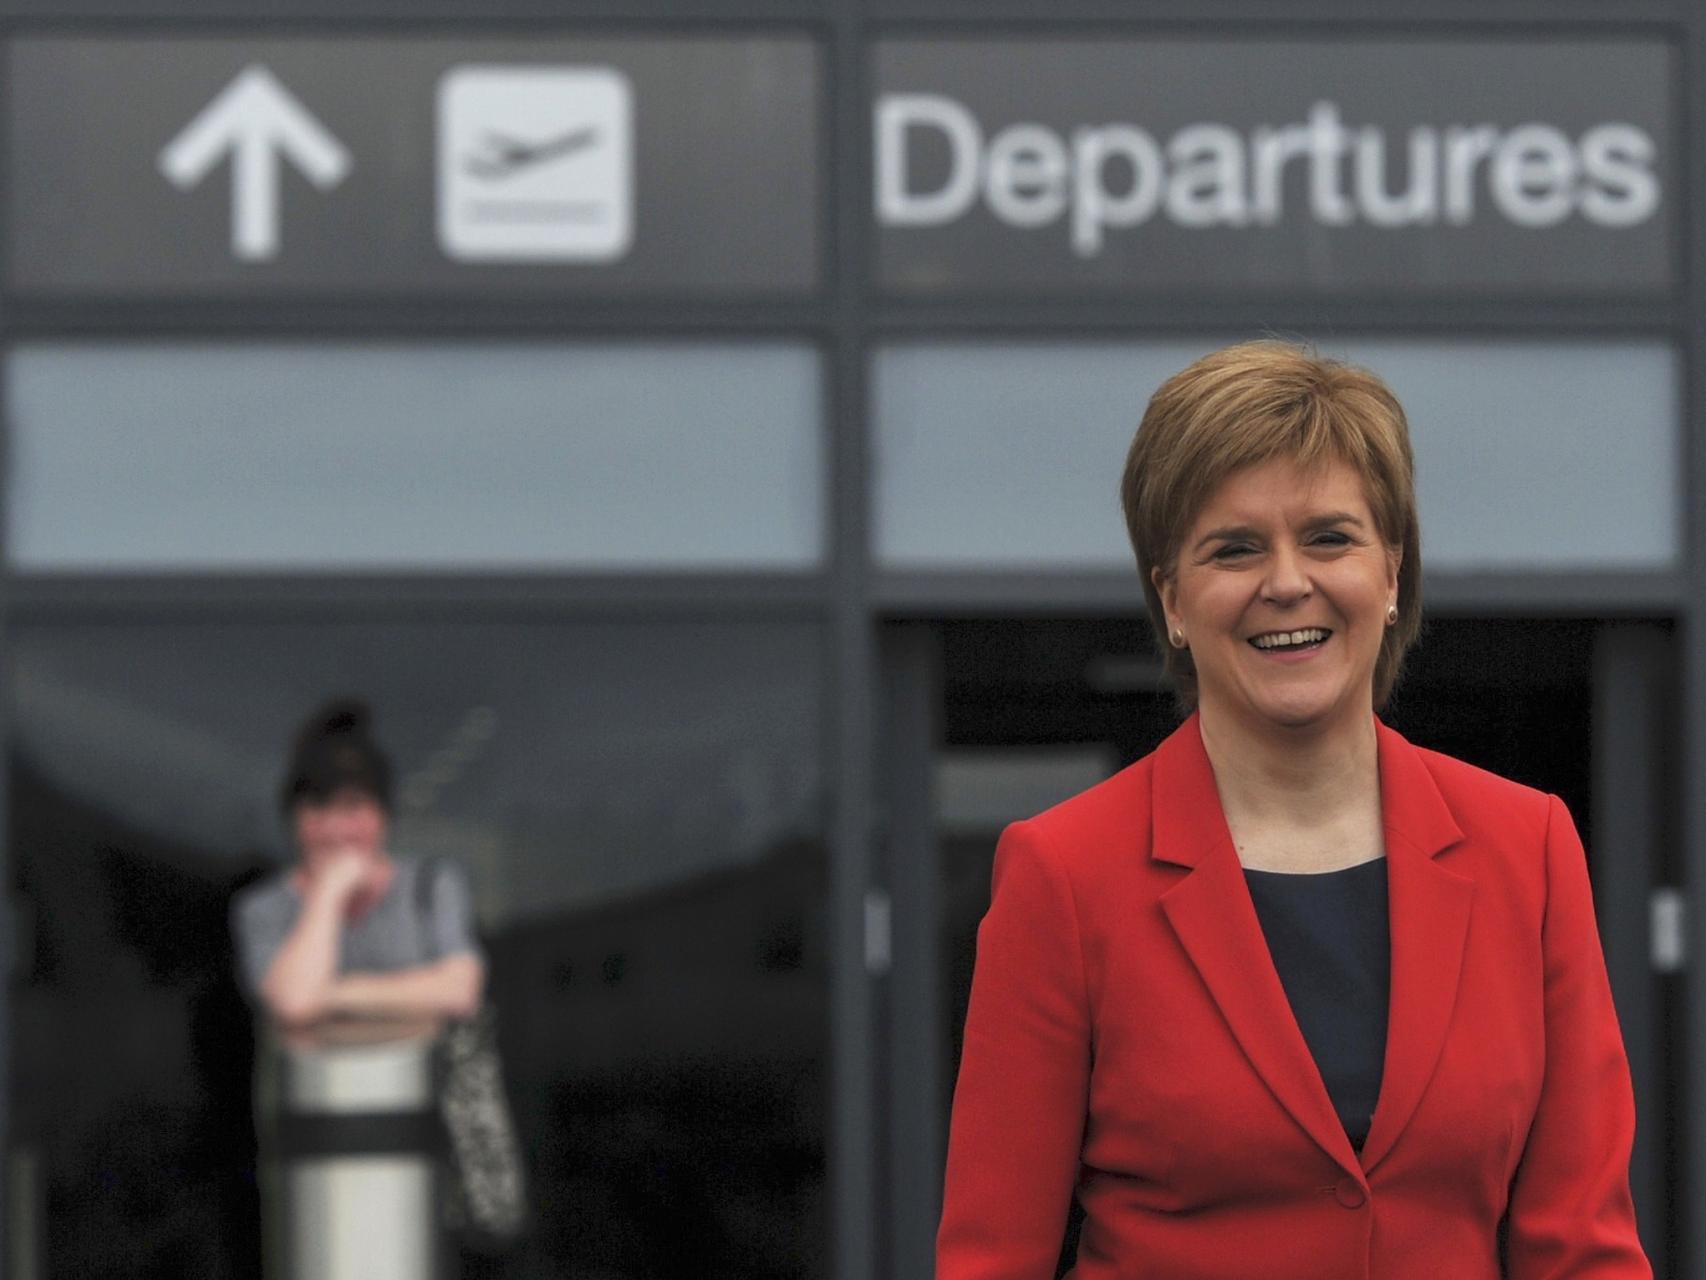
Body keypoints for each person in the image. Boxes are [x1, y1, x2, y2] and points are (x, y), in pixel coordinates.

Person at [936, 341, 1650, 1278]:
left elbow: (1585, 1252)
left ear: (1391, 576)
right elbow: (993, 1261)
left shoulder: (1529, 848)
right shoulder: (1064, 875)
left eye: (1329, 537)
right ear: (1174, 601)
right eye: (1234, 548)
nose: (1286, 581)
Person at [232, 698, 484, 1036]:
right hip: (312, 1087)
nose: (336, 830)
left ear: (382, 815)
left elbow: (459, 990)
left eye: (352, 807)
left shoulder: (432, 885)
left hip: (423, 1083)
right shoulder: (263, 908)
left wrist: (332, 992)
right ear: (293, 818)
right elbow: (295, 1004)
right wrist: (329, 893)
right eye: (318, 808)